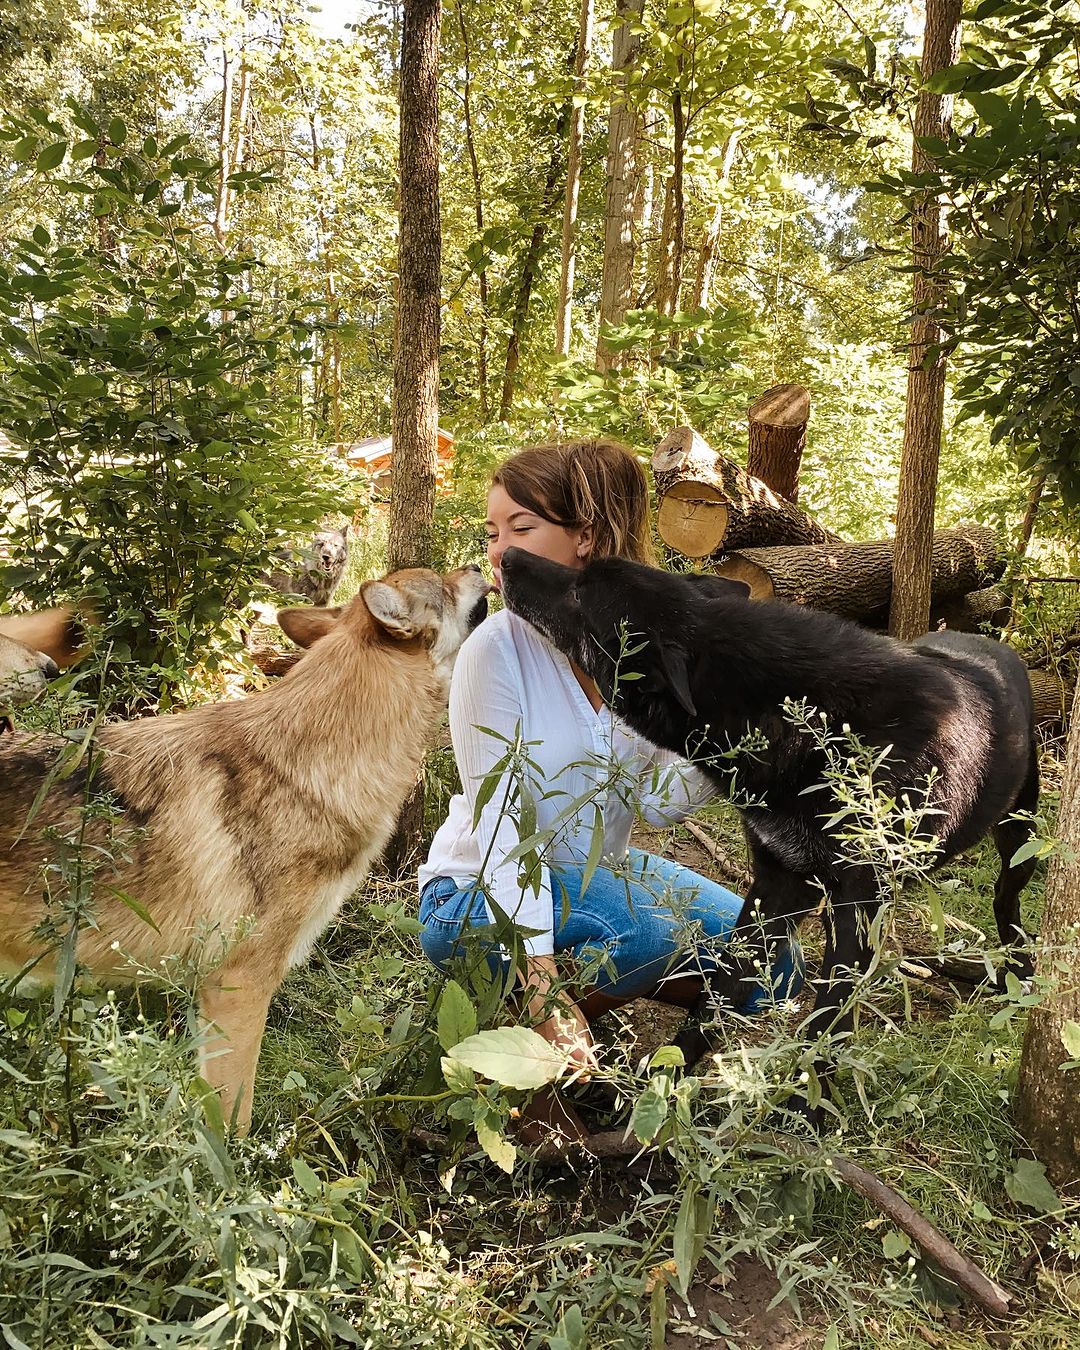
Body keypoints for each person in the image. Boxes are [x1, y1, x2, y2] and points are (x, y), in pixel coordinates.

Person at [417, 438, 802, 1131]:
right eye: (493, 532)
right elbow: (504, 831)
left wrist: (733, 741)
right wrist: (538, 984)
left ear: (586, 537)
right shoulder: (495, 651)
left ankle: (577, 1016)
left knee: (774, 963)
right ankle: (529, 1064)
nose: (499, 552)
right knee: (643, 928)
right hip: (476, 896)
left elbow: (655, 800)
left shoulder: (640, 651)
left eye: (521, 528)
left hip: (594, 880)